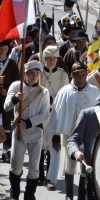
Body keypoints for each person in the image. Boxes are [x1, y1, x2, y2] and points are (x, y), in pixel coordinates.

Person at [46, 62, 99, 200]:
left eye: (83, 75)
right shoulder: (65, 92)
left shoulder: (94, 91)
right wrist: (56, 137)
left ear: (86, 75)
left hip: (88, 136)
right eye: (77, 76)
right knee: (70, 165)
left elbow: (99, 114)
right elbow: (57, 116)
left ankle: (82, 199)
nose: (80, 79)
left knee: (85, 167)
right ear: (72, 76)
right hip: (70, 135)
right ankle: (69, 195)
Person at [4, 61, 50, 200]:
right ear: (25, 73)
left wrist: (28, 123)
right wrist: (15, 99)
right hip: (19, 131)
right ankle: (15, 192)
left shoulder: (43, 92)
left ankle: (30, 197)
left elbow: (44, 114)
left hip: (36, 132)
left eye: (37, 73)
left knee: (34, 167)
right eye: (31, 73)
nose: (34, 76)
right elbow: (6, 107)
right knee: (16, 165)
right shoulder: (15, 86)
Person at [37, 45, 70, 185]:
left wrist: (53, 101)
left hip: (56, 112)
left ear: (57, 59)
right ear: (44, 59)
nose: (51, 61)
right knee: (39, 144)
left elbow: (65, 94)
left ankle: (51, 177)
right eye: (49, 59)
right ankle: (39, 173)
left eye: (54, 59)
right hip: (40, 112)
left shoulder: (63, 75)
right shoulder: (38, 73)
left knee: (53, 145)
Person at [0, 41, 20, 162]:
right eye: (0, 48)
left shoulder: (12, 64)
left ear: (8, 50)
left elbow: (17, 81)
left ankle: (6, 151)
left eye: (5, 48)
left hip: (6, 98)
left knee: (7, 123)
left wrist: (7, 90)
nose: (2, 51)